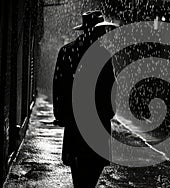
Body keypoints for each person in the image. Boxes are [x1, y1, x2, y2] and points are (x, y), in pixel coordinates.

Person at [53, 10, 118, 187]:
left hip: (75, 123)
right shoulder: (103, 54)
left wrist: (60, 114)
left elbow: (59, 85)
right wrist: (108, 113)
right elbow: (112, 90)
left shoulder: (67, 51)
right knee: (91, 173)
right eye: (101, 30)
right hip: (97, 124)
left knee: (79, 174)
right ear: (95, 31)